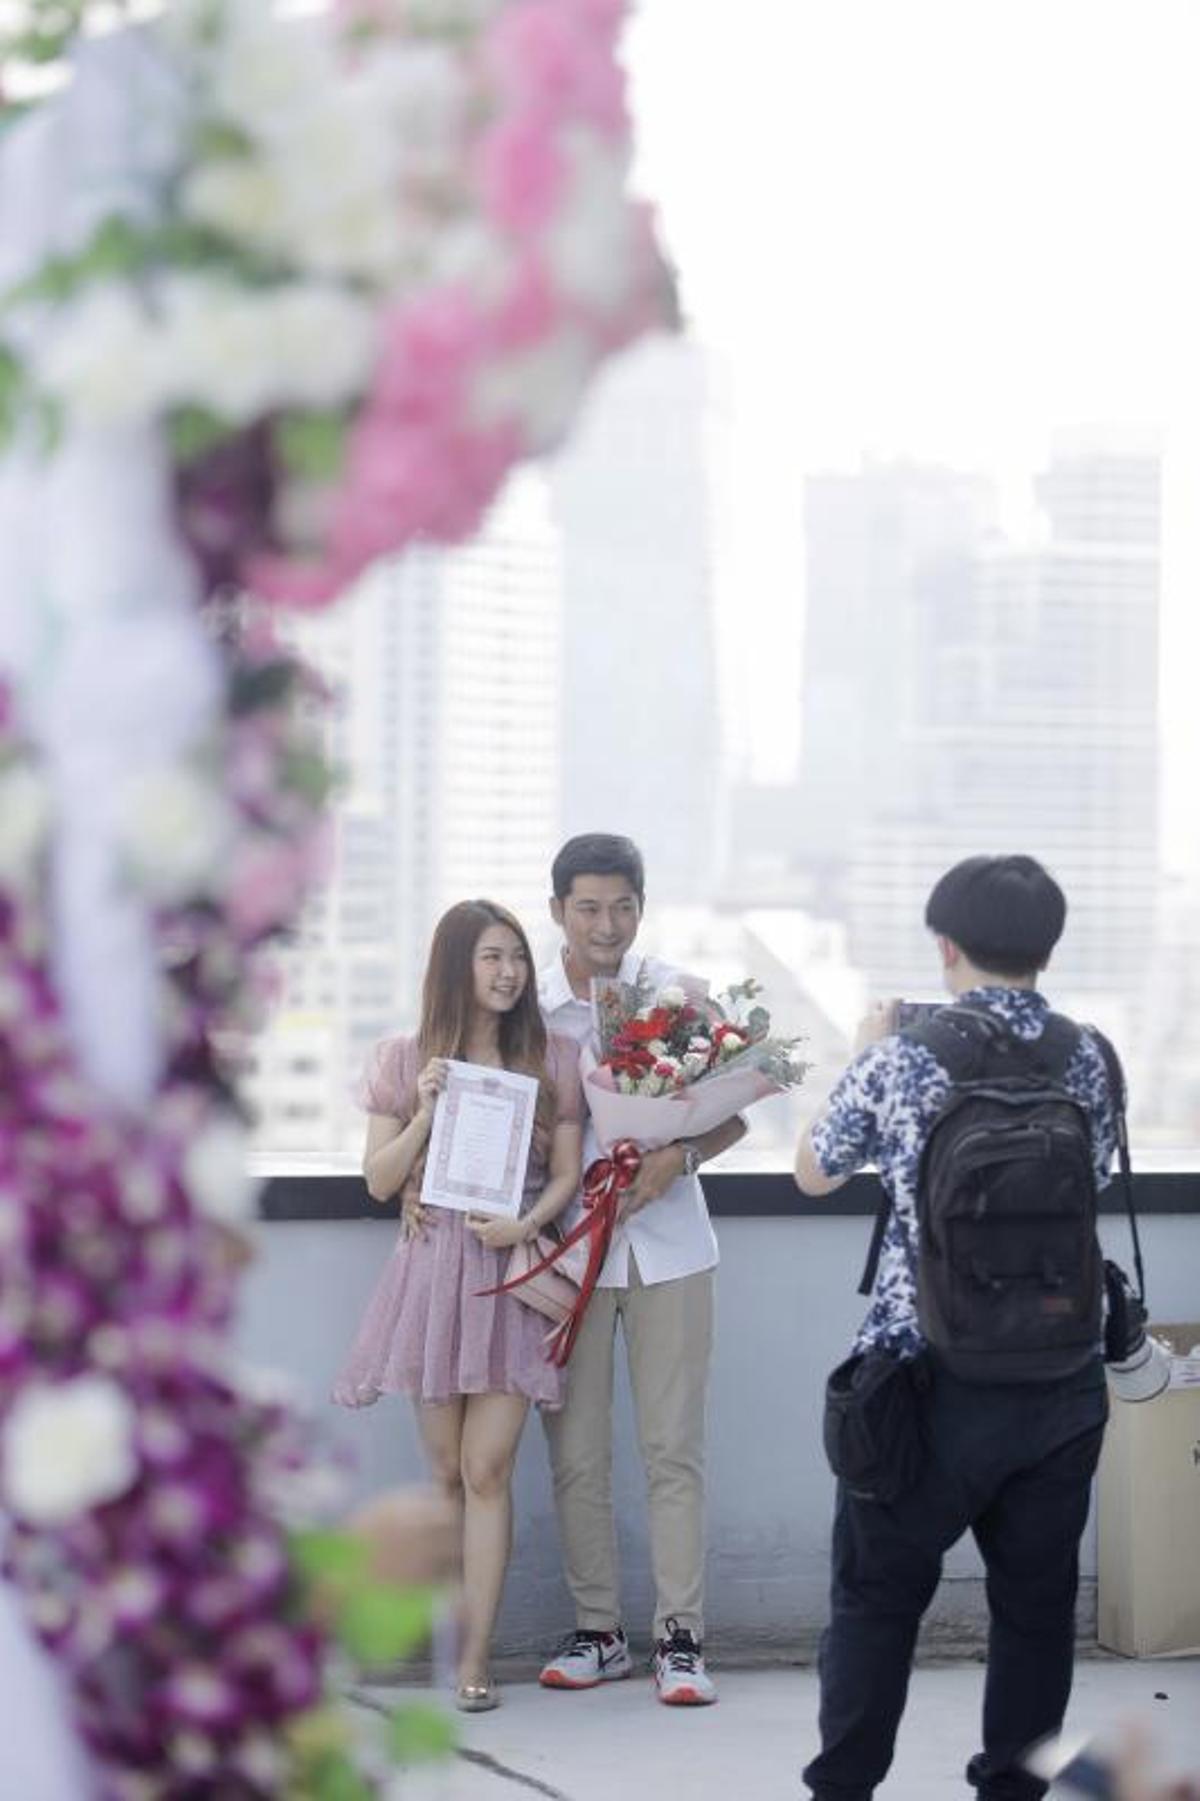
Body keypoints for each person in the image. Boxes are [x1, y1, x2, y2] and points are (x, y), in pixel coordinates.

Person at [794, 854, 1119, 1801]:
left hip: (920, 1379)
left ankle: (844, 1789)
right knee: (1035, 1609)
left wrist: (865, 1051)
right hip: (1061, 1379)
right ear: (1047, 947)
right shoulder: (1090, 1055)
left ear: (945, 947)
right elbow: (1090, 1176)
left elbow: (813, 1170)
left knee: (875, 1601)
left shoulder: (905, 1057)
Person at [333, 899, 583, 1713]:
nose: (509, 971)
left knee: (488, 1466)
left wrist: (529, 1222)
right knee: (445, 1471)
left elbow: (569, 1174)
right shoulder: (403, 1059)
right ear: (454, 966)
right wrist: (429, 1112)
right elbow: (377, 1180)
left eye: (516, 955)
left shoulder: (555, 1057)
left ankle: (476, 1654)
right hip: (434, 1272)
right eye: (490, 956)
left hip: (509, 1272)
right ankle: (447, 1642)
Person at [536, 833, 745, 1706]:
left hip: (672, 1247)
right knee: (577, 1451)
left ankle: (680, 1639)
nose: (606, 923)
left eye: (622, 905)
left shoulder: (677, 997)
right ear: (558, 911)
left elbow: (736, 1114)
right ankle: (600, 1632)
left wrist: (679, 1157)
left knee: (674, 1450)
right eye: (588, 906)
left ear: (642, 907)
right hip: (568, 1252)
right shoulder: (529, 1008)